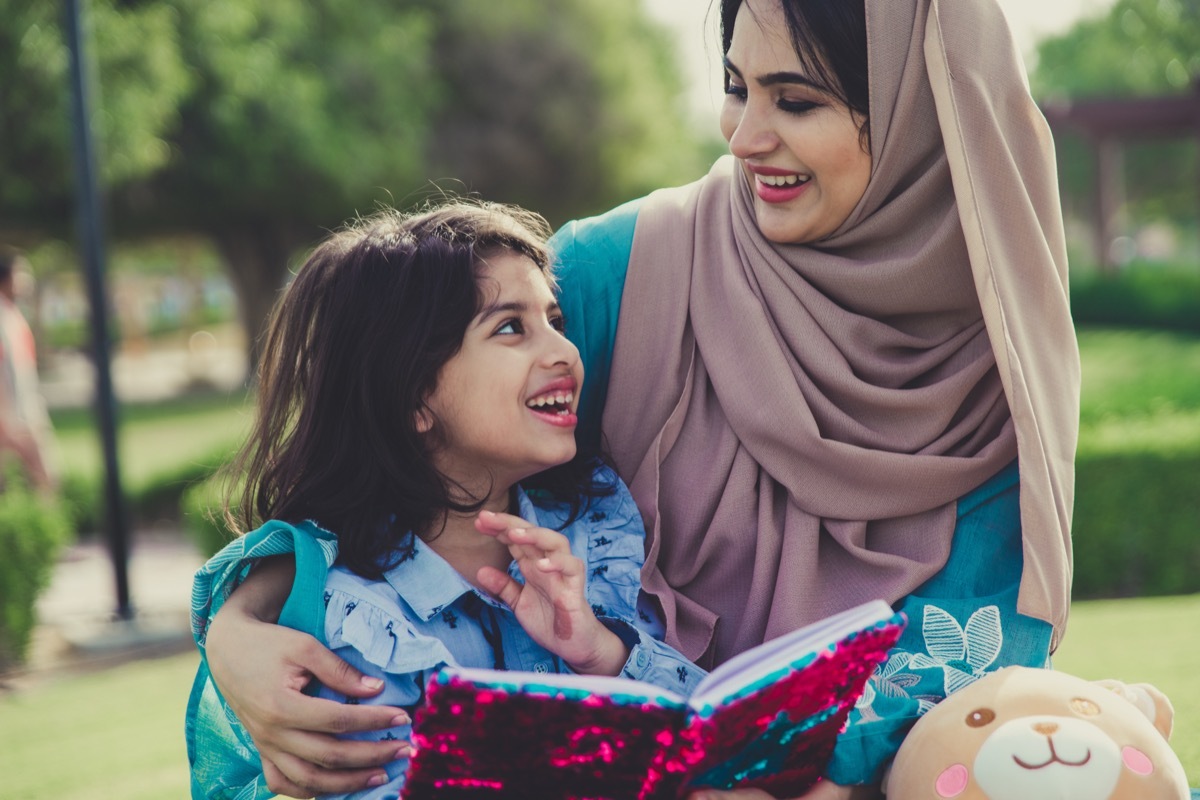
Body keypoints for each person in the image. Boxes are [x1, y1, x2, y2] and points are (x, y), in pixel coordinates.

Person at [198, 0, 1080, 797]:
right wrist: (240, 623)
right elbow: (392, 454)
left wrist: (810, 781)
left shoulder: (997, 366)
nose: (743, 137)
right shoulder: (618, 277)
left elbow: (967, 657)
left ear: (920, 114)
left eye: (797, 101)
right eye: (738, 88)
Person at [185, 202, 707, 799]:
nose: (564, 350)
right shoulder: (359, 629)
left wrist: (599, 651)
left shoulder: (592, 537)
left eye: (555, 319)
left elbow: (709, 741)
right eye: (510, 327)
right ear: (411, 398)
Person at [0, 245, 56, 492]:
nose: (26, 279)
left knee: (40, 477)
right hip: (13, 416)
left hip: (24, 411)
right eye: (20, 272)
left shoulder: (13, 315)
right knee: (44, 476)